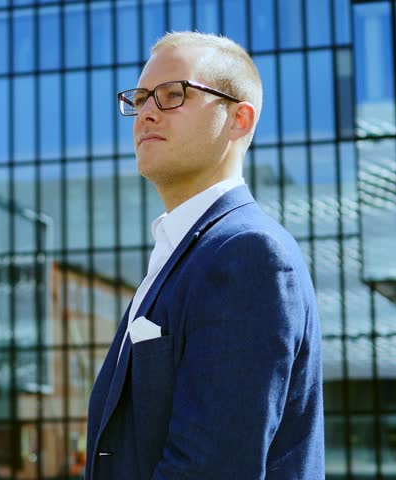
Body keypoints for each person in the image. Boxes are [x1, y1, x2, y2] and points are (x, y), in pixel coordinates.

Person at [85, 32, 324, 479]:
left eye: (173, 94)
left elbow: (210, 468)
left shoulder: (248, 253)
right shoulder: (182, 251)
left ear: (239, 119)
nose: (147, 112)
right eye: (139, 99)